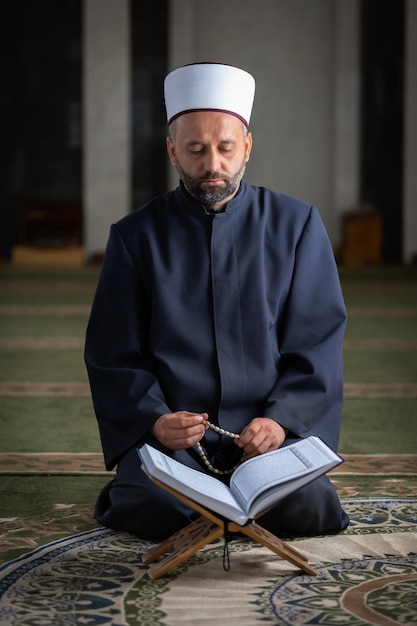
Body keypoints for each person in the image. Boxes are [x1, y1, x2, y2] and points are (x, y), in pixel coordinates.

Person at [85, 62, 349, 541]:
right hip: (177, 444)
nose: (213, 165)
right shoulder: (134, 238)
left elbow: (318, 342)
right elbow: (113, 353)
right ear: (172, 151)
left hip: (270, 439)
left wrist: (281, 420)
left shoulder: (298, 226)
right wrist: (155, 421)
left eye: (226, 148)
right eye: (195, 149)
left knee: (313, 506)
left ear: (246, 146)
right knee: (151, 505)